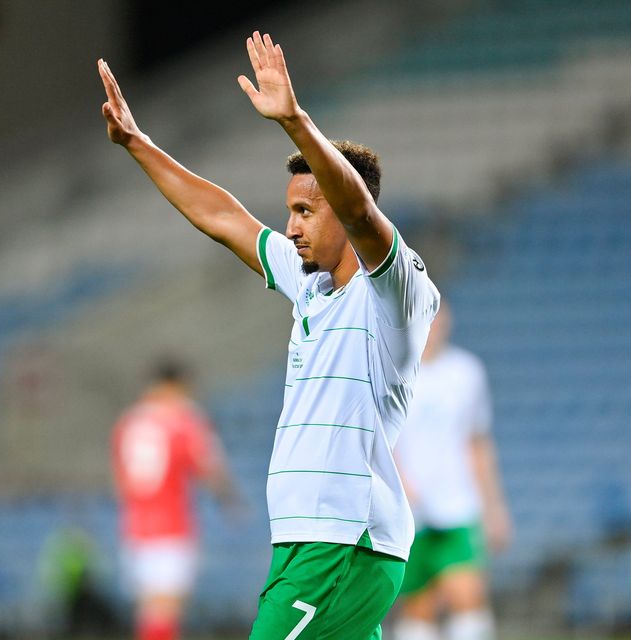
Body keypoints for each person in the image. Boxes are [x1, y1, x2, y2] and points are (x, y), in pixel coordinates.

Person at [98, 30, 440, 640]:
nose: (292, 225)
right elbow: (225, 217)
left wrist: (296, 122)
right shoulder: (308, 285)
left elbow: (361, 214)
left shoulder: (394, 291)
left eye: (307, 211)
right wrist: (138, 145)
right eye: (290, 211)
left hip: (343, 542)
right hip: (305, 540)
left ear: (341, 206)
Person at [392, 302, 511, 640]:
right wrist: (399, 481)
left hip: (458, 504)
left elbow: (477, 442)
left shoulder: (466, 372)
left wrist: (494, 508)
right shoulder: (396, 372)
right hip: (412, 512)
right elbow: (380, 440)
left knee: (468, 598)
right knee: (419, 607)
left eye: (438, 317)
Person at [112, 360, 236, 640]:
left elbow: (121, 479)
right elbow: (210, 468)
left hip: (135, 527)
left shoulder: (129, 421)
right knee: (166, 612)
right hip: (171, 526)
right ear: (174, 384)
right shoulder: (184, 419)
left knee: (149, 611)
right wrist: (230, 501)